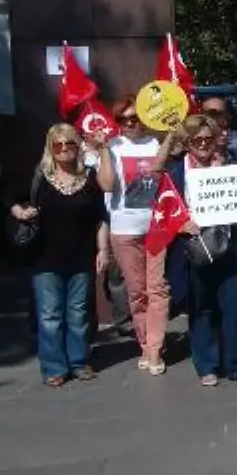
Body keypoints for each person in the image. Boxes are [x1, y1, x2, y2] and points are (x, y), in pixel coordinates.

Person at [10, 124, 112, 386]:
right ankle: (54, 367)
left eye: (70, 144)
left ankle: (79, 361)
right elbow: (10, 196)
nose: (65, 149)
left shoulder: (88, 178)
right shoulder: (40, 177)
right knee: (50, 315)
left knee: (78, 314)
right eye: (58, 145)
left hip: (81, 255)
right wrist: (19, 212)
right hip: (45, 256)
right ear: (50, 148)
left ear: (78, 147)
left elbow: (100, 217)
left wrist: (103, 249)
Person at [164, 115, 237, 386]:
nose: (203, 144)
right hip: (194, 248)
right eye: (197, 140)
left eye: (208, 139)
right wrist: (181, 223)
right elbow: (164, 210)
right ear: (188, 143)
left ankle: (235, 363)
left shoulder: (229, 167)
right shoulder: (177, 173)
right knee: (202, 308)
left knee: (234, 305)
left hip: (228, 245)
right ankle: (207, 365)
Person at [106, 96, 169, 375]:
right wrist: (103, 151)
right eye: (124, 119)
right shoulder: (113, 146)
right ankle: (144, 344)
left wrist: (169, 136)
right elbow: (107, 185)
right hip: (124, 229)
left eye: (135, 117)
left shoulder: (154, 144)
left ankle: (155, 349)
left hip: (155, 226)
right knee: (137, 293)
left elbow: (158, 170)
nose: (130, 123)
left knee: (158, 289)